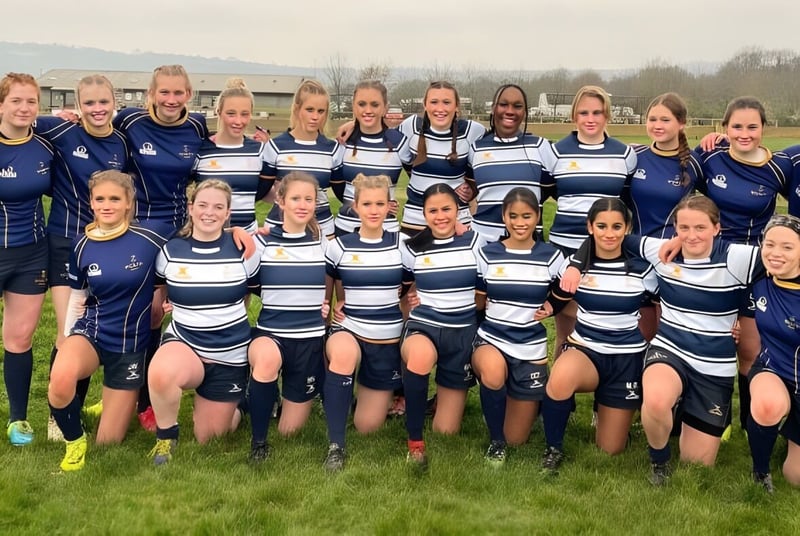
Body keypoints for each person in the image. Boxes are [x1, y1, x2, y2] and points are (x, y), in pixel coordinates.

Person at [564, 195, 762, 485]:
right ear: (675, 230)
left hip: (714, 364)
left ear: (717, 228)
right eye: (684, 228)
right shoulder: (662, 251)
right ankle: (659, 462)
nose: (691, 235)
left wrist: (746, 314)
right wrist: (574, 265)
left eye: (700, 228)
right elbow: (605, 238)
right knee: (656, 401)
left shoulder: (736, 257)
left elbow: (782, 260)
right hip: (669, 348)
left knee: (698, 465)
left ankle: (685, 411)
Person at [48, 170, 167, 471]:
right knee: (60, 382)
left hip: (130, 345)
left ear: (129, 203)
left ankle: (109, 403)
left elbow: (198, 237)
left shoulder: (152, 236)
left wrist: (235, 233)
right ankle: (75, 442)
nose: (107, 205)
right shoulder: (81, 244)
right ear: (91, 202)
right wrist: (66, 336)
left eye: (115, 198)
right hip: (92, 332)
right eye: (100, 198)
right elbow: (78, 296)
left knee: (109, 444)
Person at [113, 65, 210, 430]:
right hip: (139, 228)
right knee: (139, 312)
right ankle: (131, 395)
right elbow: (97, 133)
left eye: (178, 93)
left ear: (189, 94)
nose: (171, 100)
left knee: (166, 310)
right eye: (163, 93)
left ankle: (155, 392)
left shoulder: (197, 126)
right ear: (151, 94)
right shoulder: (130, 120)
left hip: (181, 229)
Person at [35, 74, 130, 440]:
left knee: (95, 329)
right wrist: (57, 117)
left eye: (103, 101)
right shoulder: (61, 131)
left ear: (114, 102)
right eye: (88, 103)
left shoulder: (122, 142)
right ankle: (57, 415)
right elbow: (22, 119)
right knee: (68, 330)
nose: (97, 109)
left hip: (107, 245)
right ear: (77, 105)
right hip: (65, 242)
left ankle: (81, 402)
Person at [695, 97, 793, 435]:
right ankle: (716, 415)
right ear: (725, 128)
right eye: (736, 126)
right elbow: (672, 166)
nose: (744, 133)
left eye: (752, 126)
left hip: (756, 267)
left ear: (764, 128)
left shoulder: (778, 167)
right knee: (713, 341)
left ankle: (754, 424)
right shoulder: (710, 157)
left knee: (749, 349)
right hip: (714, 262)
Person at [539, 198, 657, 474]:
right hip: (586, 349)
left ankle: (612, 415)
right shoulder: (573, 266)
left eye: (617, 226)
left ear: (627, 228)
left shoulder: (643, 269)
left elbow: (667, 305)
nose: (609, 233)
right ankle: (553, 448)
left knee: (610, 450)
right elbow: (548, 291)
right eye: (601, 225)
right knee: (560, 376)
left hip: (626, 358)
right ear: (590, 227)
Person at [147, 180, 260, 465]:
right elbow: (158, 291)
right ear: (191, 208)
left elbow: (254, 292)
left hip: (230, 353)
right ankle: (166, 438)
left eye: (218, 207)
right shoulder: (170, 251)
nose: (209, 213)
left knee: (211, 436)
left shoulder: (244, 251)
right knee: (161, 373)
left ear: (227, 213)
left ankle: (241, 401)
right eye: (203, 205)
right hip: (186, 342)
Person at [472, 187, 566, 465]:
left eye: (527, 216)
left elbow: (570, 289)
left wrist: (553, 305)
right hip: (492, 338)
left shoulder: (551, 256)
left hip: (530, 347)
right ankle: (495, 443)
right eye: (513, 216)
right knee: (492, 372)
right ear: (504, 217)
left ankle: (527, 405)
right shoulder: (488, 254)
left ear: (537, 217)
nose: (520, 222)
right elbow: (478, 300)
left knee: (518, 437)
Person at [544, 86, 637, 357]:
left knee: (604, 324)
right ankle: (561, 396)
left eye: (597, 112)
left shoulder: (624, 154)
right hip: (565, 248)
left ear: (607, 115)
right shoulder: (555, 152)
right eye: (583, 112)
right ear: (574, 115)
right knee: (566, 327)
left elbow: (627, 201)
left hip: (607, 252)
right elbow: (546, 192)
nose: (590, 118)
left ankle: (607, 387)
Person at [322, 174, 405, 471]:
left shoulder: (404, 245)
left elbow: (432, 262)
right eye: (367, 203)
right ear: (355, 207)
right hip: (350, 328)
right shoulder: (339, 246)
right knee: (343, 355)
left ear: (390, 207)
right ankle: (336, 446)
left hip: (387, 339)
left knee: (368, 426)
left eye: (380, 204)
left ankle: (351, 396)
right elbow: (328, 289)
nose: (373, 210)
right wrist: (329, 307)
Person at [248, 172, 330, 462]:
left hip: (308, 340)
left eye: (309, 198)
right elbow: (236, 280)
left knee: (290, 431)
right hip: (272, 333)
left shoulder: (324, 246)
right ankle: (258, 443)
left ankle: (266, 399)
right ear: (280, 201)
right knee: (267, 362)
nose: (302, 204)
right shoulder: (261, 243)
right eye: (295, 198)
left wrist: (334, 305)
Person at [400, 183, 483, 470]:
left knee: (446, 430)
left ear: (457, 210)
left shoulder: (475, 242)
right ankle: (415, 444)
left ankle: (428, 402)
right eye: (432, 210)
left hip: (462, 332)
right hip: (426, 327)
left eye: (446, 209)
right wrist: (407, 303)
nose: (440, 216)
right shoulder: (411, 248)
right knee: (420, 357)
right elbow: (399, 290)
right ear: (423, 214)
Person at [0, 72, 54, 445]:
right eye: (16, 100)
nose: (24, 108)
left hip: (32, 253)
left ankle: (18, 419)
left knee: (19, 337)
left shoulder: (46, 145)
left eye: (31, 101)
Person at [627, 92, 701, 340]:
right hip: (636, 258)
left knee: (671, 338)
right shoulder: (634, 157)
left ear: (681, 123)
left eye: (665, 120)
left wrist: (685, 238)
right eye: (652, 119)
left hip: (674, 259)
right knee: (641, 338)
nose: (657, 125)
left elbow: (713, 207)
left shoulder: (696, 163)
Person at [746, 214, 800, 493]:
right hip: (773, 368)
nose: (776, 253)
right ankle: (760, 471)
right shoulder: (758, 271)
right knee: (768, 405)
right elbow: (702, 243)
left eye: (788, 247)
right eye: (770, 244)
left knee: (796, 477)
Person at [469, 84, 555, 242]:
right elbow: (466, 189)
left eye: (517, 106)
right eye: (503, 104)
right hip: (483, 243)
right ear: (493, 108)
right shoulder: (476, 148)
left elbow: (559, 191)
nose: (510, 111)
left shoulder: (540, 146)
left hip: (527, 244)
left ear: (524, 112)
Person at [262, 80, 344, 238]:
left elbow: (344, 195)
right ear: (297, 109)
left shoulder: (333, 149)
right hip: (280, 228)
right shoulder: (275, 146)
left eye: (321, 111)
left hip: (322, 230)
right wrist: (285, 199)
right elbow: (261, 191)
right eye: (309, 110)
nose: (315, 117)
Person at [333, 81, 411, 236]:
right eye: (361, 104)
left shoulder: (399, 142)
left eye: (375, 105)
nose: (368, 110)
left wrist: (388, 202)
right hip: (346, 229)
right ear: (354, 107)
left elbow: (418, 181)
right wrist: (354, 206)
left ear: (385, 108)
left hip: (387, 230)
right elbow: (336, 185)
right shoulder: (344, 141)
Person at [193, 78, 268, 233]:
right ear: (218, 112)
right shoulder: (201, 151)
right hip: (209, 237)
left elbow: (271, 194)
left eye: (244, 114)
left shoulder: (260, 151)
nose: (238, 121)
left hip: (249, 237)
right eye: (231, 114)